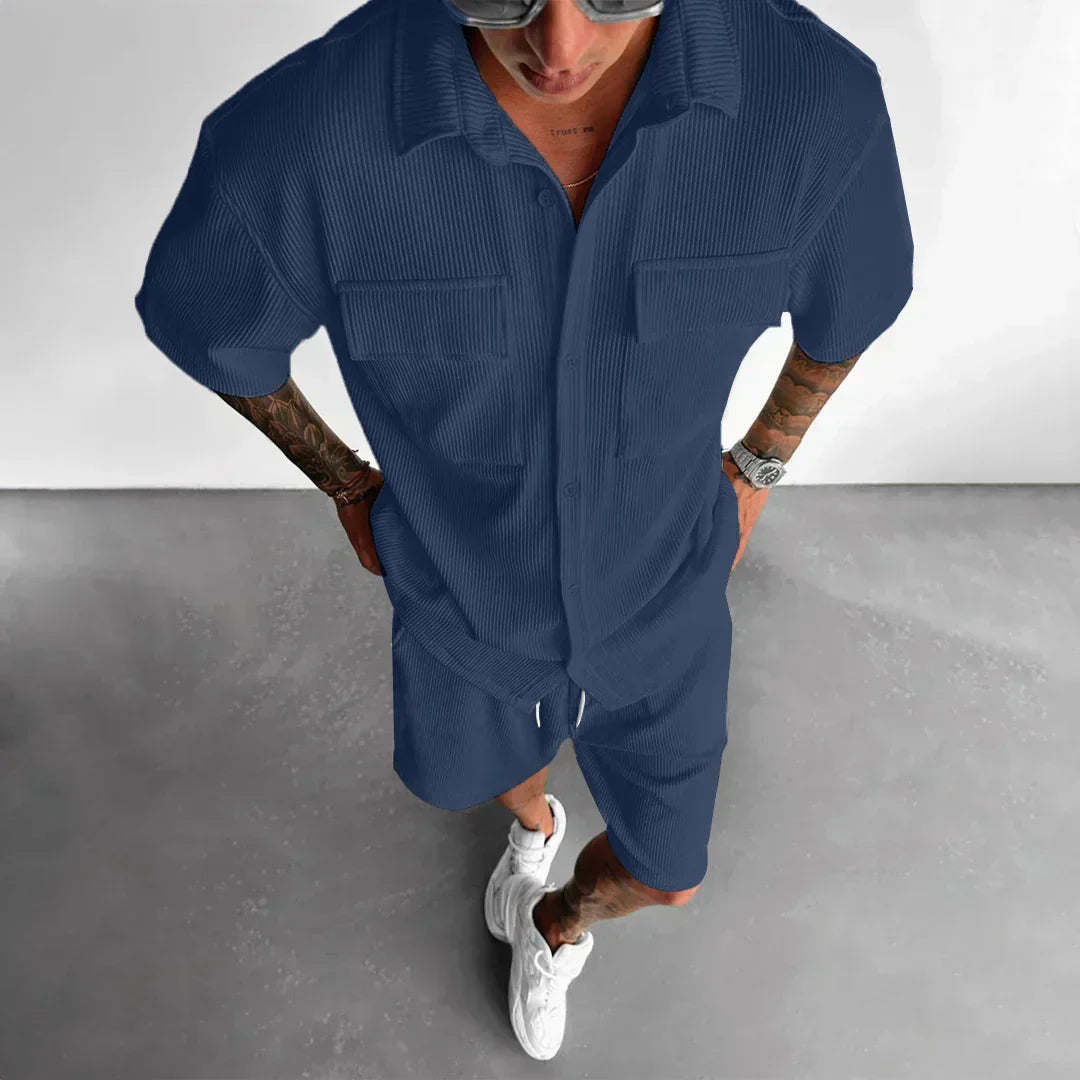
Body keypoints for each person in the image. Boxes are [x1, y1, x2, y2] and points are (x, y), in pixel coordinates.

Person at [134, 0, 914, 1061]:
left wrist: (761, 460)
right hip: (462, 605)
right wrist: (346, 485)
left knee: (669, 875)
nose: (559, 46)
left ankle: (556, 923)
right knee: (476, 773)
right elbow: (210, 325)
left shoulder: (816, 103)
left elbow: (852, 306)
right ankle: (533, 827)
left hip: (667, 597)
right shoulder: (303, 131)